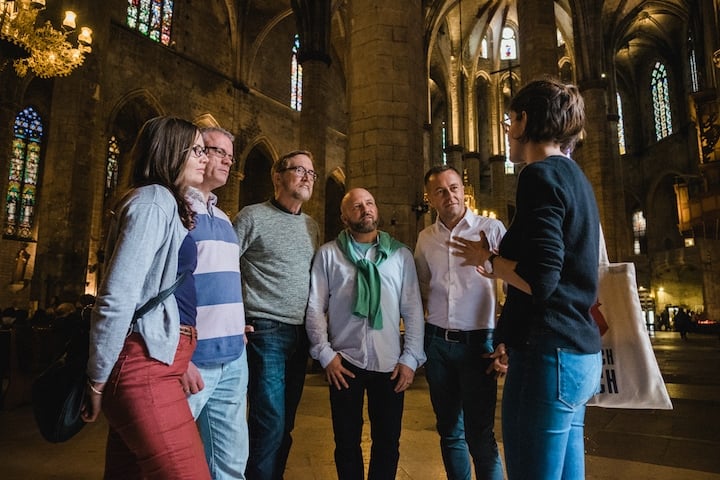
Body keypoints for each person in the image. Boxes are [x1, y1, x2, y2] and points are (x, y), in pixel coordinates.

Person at [450, 78, 602, 480]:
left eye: (509, 119)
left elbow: (541, 280)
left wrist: (490, 260)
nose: (506, 130)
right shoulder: (576, 176)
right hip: (576, 352)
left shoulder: (539, 175)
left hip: (548, 354)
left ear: (524, 121)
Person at [82, 116, 211, 479]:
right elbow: (117, 296)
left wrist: (179, 355)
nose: (205, 158)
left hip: (159, 361)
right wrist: (96, 379)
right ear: (171, 152)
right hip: (143, 369)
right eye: (197, 149)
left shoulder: (166, 203)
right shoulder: (154, 201)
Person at [305, 187, 426, 480]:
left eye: (370, 203)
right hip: (343, 362)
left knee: (387, 442)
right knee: (346, 442)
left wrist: (410, 358)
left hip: (390, 363)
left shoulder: (400, 255)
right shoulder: (329, 254)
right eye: (357, 206)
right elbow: (315, 307)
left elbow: (412, 309)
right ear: (344, 216)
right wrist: (325, 354)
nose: (365, 209)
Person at [414, 164, 506, 480]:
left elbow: (512, 288)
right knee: (449, 430)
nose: (448, 195)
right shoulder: (425, 239)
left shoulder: (491, 230)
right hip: (438, 343)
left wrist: (505, 340)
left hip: (478, 343)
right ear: (429, 198)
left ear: (463, 191)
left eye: (453, 187)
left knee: (480, 434)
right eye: (439, 190)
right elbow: (423, 287)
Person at [233, 150, 320, 480]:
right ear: (277, 176)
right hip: (265, 329)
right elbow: (222, 266)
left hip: (300, 334)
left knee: (286, 423)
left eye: (311, 173)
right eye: (299, 170)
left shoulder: (311, 226)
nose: (307, 177)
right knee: (268, 421)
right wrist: (232, 318)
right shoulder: (251, 217)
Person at [181, 126, 249, 479]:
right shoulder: (175, 210)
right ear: (195, 153)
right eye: (218, 151)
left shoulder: (223, 218)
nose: (227, 160)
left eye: (230, 155)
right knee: (167, 459)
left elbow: (221, 282)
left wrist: (236, 325)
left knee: (231, 464)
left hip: (234, 358)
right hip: (194, 361)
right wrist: (180, 358)